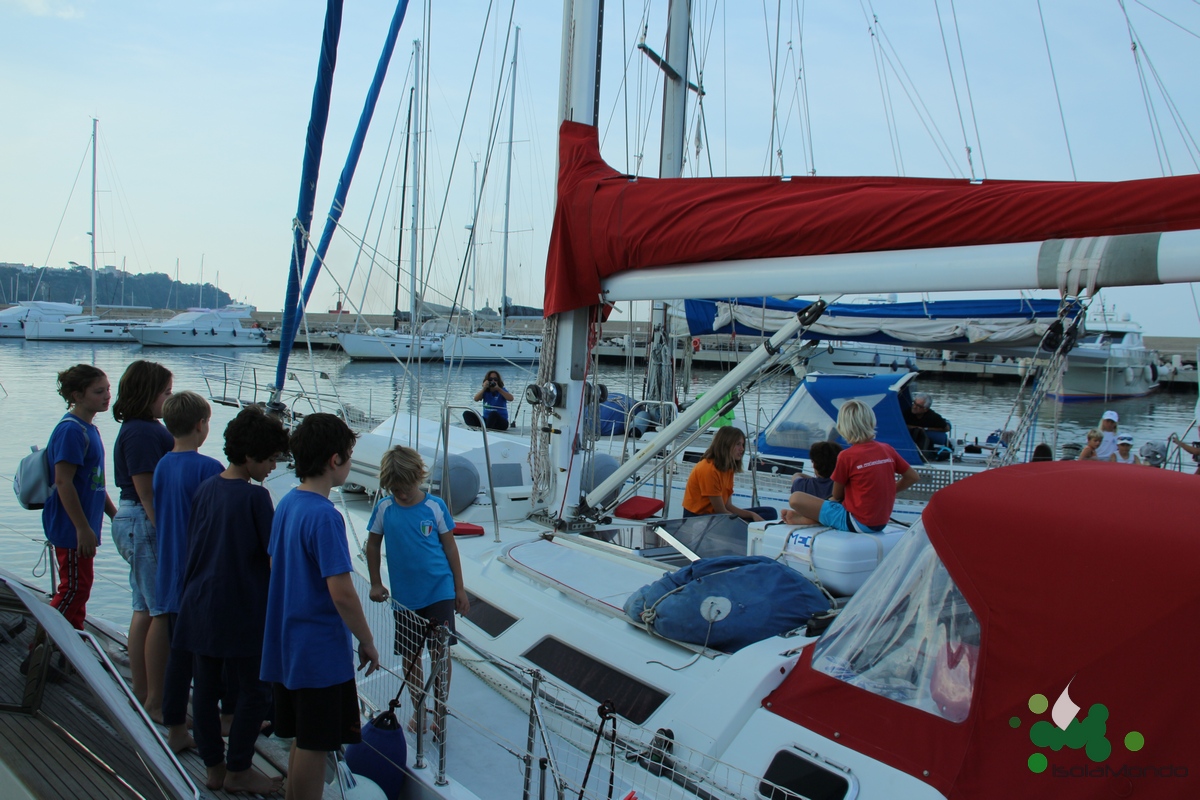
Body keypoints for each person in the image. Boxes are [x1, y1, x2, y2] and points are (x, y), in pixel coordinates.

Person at [261, 413, 379, 800]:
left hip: (287, 644)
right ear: (335, 461)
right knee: (317, 743)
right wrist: (367, 639)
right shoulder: (325, 516)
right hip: (319, 652)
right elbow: (342, 592)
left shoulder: (287, 504)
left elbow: (276, 565)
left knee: (301, 739)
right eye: (348, 455)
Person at [174, 406, 288, 794]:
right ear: (253, 455)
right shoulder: (256, 499)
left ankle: (213, 767)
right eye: (271, 458)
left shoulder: (207, 487)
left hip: (199, 603)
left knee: (204, 690)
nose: (273, 466)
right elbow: (274, 559)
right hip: (240, 609)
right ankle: (239, 768)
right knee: (255, 691)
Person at [366, 446, 470, 734]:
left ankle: (440, 710)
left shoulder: (434, 507)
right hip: (405, 599)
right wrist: (376, 581)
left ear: (419, 478)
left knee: (440, 654)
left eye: (407, 487)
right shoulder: (385, 508)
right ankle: (418, 707)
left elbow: (450, 546)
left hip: (439, 591)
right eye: (396, 489)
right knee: (410, 658)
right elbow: (373, 544)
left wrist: (459, 589)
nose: (402, 494)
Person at [149, 391, 224, 751]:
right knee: (204, 661)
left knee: (178, 656)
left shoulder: (163, 464)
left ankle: (176, 726)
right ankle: (219, 726)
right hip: (197, 575)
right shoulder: (209, 469)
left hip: (169, 571)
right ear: (201, 425)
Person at [111, 360, 174, 707]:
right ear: (149, 394)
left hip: (133, 519)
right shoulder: (143, 432)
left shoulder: (139, 427)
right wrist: (167, 533)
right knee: (159, 611)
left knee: (144, 609)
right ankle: (155, 699)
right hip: (143, 520)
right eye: (166, 393)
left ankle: (143, 689)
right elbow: (146, 490)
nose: (169, 399)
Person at [41, 364, 117, 630]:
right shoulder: (71, 431)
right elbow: (63, 481)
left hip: (86, 527)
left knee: (81, 588)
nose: (108, 395)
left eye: (108, 389)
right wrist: (82, 528)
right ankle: (41, 645)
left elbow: (95, 482)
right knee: (74, 588)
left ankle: (72, 641)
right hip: (71, 528)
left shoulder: (89, 429)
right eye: (99, 391)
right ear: (77, 395)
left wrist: (113, 515)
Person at [782, 399, 921, 532]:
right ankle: (816, 518)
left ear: (842, 427)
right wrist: (889, 491)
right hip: (881, 522)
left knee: (796, 498)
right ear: (872, 422)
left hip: (856, 522)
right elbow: (913, 477)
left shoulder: (846, 456)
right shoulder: (887, 449)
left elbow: (836, 495)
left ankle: (814, 519)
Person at [681, 426, 776, 521]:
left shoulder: (727, 468)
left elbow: (728, 505)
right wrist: (743, 520)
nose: (742, 449)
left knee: (770, 512)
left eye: (743, 445)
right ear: (726, 445)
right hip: (698, 518)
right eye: (738, 444)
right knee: (762, 517)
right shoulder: (708, 469)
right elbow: (721, 510)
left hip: (716, 515)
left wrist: (751, 514)